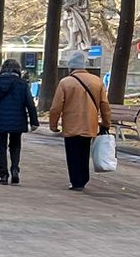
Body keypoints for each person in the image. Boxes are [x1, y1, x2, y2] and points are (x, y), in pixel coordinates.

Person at [45, 57, 111, 191]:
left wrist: (53, 125)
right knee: (84, 151)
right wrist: (106, 122)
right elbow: (104, 105)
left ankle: (76, 181)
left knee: (73, 153)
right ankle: (83, 178)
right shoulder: (97, 81)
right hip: (90, 123)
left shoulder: (65, 82)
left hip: (71, 125)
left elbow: (56, 107)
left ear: (71, 67)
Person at [0, 57, 39, 184]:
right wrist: (34, 122)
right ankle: (15, 169)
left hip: (0, 119)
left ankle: (3, 175)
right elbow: (30, 103)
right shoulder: (22, 84)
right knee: (15, 145)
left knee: (0, 147)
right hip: (17, 119)